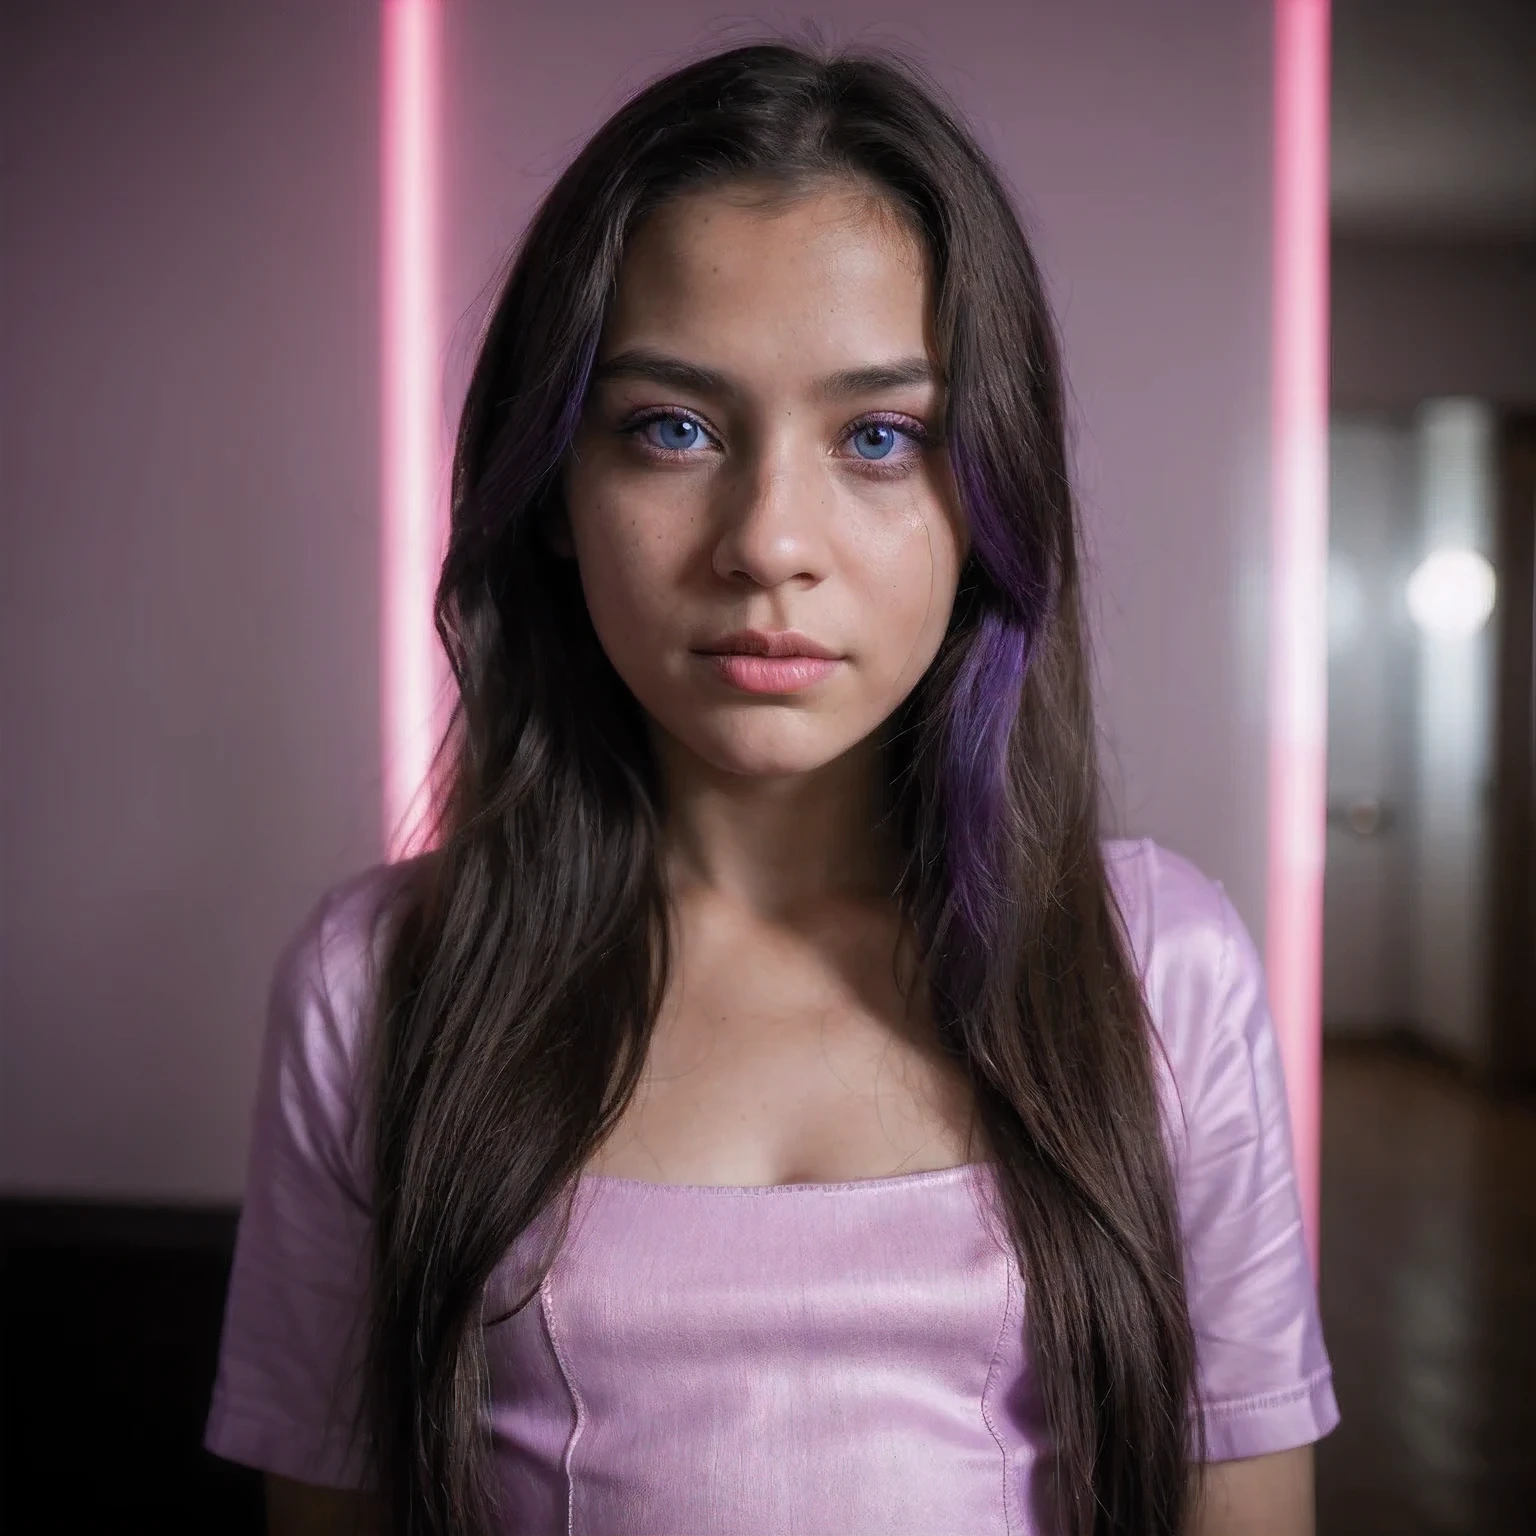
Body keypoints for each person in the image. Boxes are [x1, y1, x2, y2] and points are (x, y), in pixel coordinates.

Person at [204, 38, 1339, 1536]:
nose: (766, 542)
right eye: (672, 428)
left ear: (986, 494)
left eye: (880, 437)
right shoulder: (381, 985)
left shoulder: (1158, 972)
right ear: (553, 489)